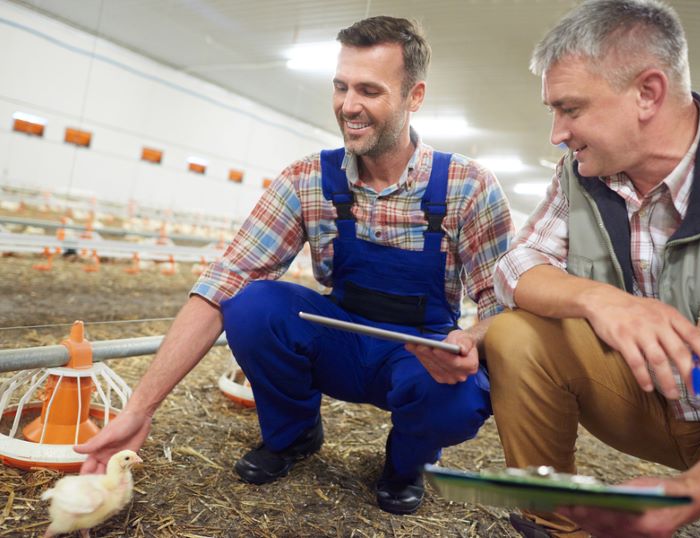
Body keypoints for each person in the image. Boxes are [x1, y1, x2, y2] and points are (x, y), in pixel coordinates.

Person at [75, 16, 513, 516]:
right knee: (253, 305)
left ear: (414, 97)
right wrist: (139, 409)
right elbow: (225, 280)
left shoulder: (468, 187)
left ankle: (405, 462)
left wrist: (468, 340)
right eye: (341, 87)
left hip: (419, 352)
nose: (349, 106)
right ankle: (295, 433)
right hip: (341, 337)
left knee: (460, 395)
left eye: (369, 90)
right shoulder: (307, 179)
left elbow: (505, 309)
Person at [485, 1, 700, 537]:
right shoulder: (582, 175)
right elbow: (518, 263)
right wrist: (602, 300)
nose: (556, 134)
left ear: (648, 93)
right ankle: (556, 525)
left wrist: (688, 493)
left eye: (571, 109)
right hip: (640, 403)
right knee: (514, 334)